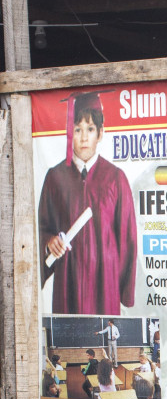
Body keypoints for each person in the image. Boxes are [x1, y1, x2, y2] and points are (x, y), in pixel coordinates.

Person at [38, 91, 137, 316]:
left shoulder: (115, 178)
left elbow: (127, 237)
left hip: (105, 284)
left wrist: (123, 292)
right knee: (67, 348)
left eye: (90, 129)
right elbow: (42, 227)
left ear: (100, 133)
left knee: (103, 346)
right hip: (67, 282)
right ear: (69, 134)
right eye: (77, 129)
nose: (84, 137)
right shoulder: (55, 177)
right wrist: (48, 242)